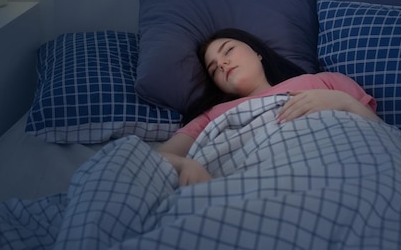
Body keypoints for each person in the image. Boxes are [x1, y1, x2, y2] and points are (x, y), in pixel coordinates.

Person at [158, 28, 379, 186]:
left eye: (228, 50)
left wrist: (341, 101)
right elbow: (157, 156)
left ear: (257, 52)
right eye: (213, 68)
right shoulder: (212, 116)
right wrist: (186, 165)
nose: (222, 64)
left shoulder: (324, 81)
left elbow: (383, 135)